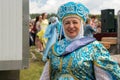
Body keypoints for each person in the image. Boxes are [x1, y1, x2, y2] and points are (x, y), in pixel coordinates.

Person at [40, 2, 120, 80]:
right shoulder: (55, 48)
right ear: (63, 25)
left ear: (81, 24)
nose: (71, 26)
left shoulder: (95, 48)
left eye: (75, 22)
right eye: (67, 23)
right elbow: (46, 76)